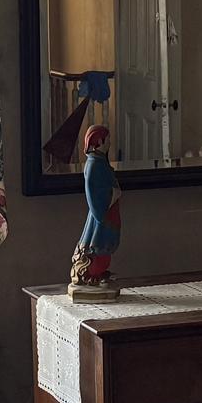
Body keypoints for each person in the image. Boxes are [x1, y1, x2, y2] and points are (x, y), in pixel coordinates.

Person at [70, 125, 122, 297]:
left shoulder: (99, 162)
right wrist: (112, 194)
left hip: (107, 211)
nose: (110, 143)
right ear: (99, 141)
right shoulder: (93, 164)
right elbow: (94, 192)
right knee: (97, 244)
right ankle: (91, 273)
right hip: (101, 214)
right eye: (107, 140)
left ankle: (98, 273)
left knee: (103, 243)